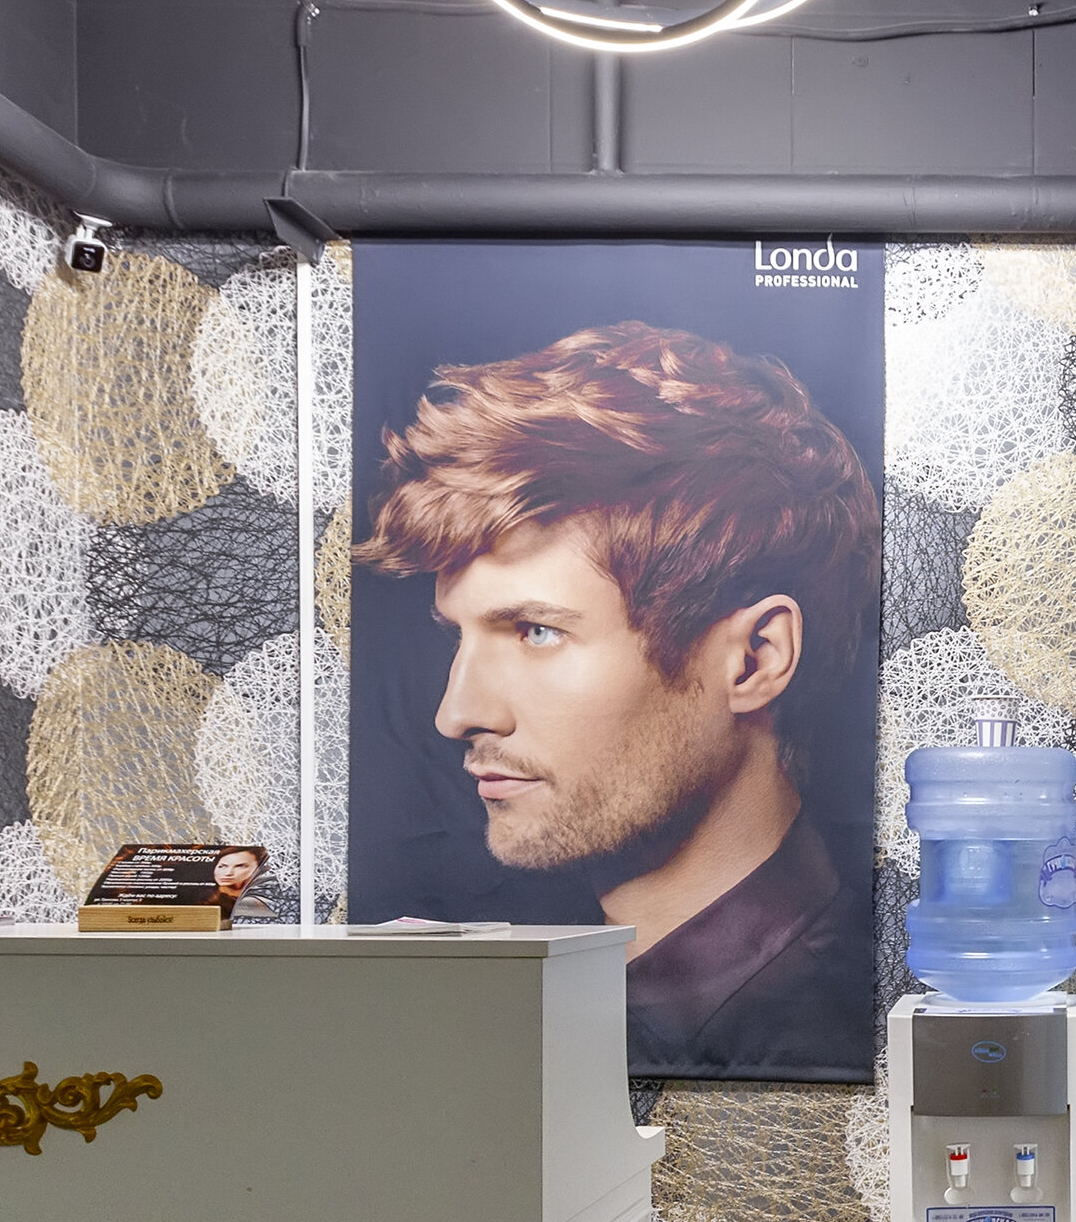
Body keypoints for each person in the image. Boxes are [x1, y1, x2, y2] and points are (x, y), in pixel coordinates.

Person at [356, 319, 881, 1074]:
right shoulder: (537, 1002)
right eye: (457, 636)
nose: (457, 713)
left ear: (753, 660)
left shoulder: (816, 1032)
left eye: (536, 631)